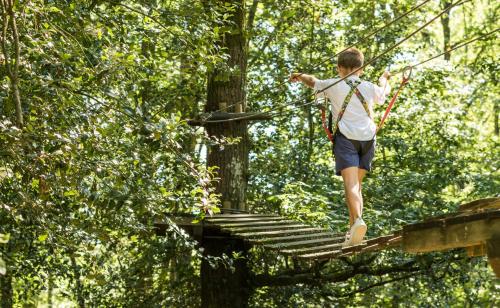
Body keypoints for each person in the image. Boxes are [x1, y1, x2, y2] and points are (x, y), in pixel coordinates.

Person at [289, 47, 391, 246]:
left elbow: (312, 82)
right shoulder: (369, 87)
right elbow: (384, 92)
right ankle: (353, 229)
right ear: (360, 69)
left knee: (350, 185)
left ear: (339, 68)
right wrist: (385, 78)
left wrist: (299, 76)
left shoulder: (333, 85)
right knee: (357, 186)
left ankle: (358, 221)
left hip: (347, 140)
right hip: (368, 139)